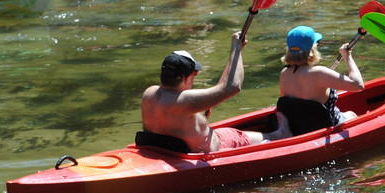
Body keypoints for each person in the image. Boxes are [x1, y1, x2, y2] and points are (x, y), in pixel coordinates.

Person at [140, 33, 285, 153]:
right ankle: (281, 134)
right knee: (273, 135)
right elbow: (233, 86)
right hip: (214, 148)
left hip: (163, 150)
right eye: (194, 73)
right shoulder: (184, 101)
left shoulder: (149, 93)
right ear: (185, 78)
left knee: (225, 131)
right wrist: (236, 48)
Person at [269, 25, 363, 138]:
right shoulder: (319, 73)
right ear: (312, 49)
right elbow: (358, 85)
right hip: (324, 128)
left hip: (299, 128)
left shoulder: (284, 73)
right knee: (351, 114)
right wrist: (347, 57)